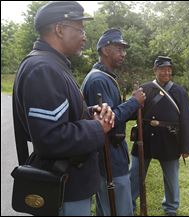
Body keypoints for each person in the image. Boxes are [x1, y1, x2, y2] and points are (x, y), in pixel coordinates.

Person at [12, 1, 115, 216]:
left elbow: (61, 118)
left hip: (69, 182)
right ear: (59, 29)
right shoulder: (43, 69)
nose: (84, 36)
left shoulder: (52, 64)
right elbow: (51, 138)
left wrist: (90, 113)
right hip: (66, 188)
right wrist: (98, 128)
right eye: (80, 29)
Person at [81, 28, 145, 216]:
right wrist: (134, 102)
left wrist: (134, 107)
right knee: (120, 210)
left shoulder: (104, 77)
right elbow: (108, 119)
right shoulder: (98, 80)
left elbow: (114, 110)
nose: (123, 54)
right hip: (109, 158)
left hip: (111, 154)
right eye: (119, 49)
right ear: (106, 50)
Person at [129, 56, 189, 216]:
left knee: (171, 178)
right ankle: (129, 203)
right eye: (163, 69)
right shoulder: (144, 89)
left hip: (169, 139)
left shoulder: (179, 91)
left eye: (169, 69)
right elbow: (131, 113)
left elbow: (186, 119)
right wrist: (132, 101)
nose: (167, 72)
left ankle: (171, 209)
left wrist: (186, 146)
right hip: (145, 139)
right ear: (155, 70)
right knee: (135, 175)